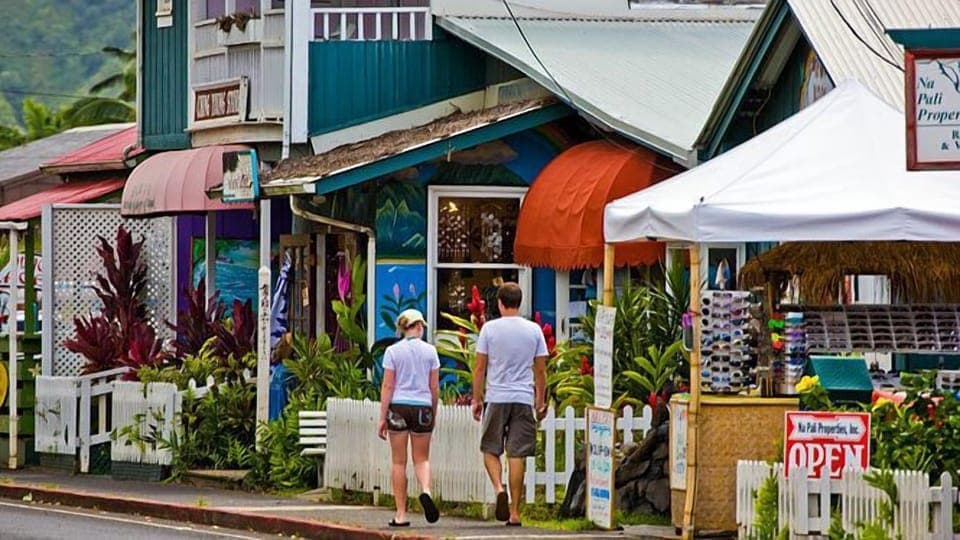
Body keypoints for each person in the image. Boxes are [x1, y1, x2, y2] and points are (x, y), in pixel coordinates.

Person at [471, 282, 548, 527]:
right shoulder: (534, 330)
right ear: (520, 302)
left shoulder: (489, 330)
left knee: (490, 450)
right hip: (523, 398)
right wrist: (540, 401)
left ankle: (498, 488)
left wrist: (476, 398)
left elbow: (480, 367)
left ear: (500, 303)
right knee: (517, 455)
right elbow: (541, 371)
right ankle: (514, 512)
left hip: (497, 396)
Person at [378, 309, 441, 527]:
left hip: (398, 407)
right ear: (420, 327)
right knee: (421, 459)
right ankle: (425, 490)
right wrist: (433, 410)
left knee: (398, 461)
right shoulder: (431, 351)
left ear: (403, 328)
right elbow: (434, 386)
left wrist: (382, 417)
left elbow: (387, 385)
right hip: (423, 406)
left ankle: (401, 514)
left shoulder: (392, 352)